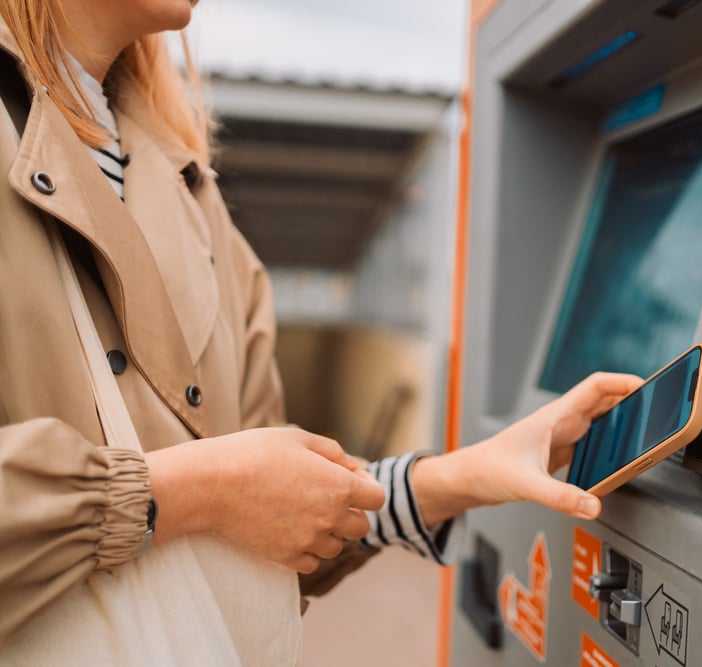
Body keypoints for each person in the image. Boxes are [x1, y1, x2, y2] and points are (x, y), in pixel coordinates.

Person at [0, 0, 643, 662]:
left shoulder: (194, 194)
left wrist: (466, 474)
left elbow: (272, 523)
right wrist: (188, 491)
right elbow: (227, 491)